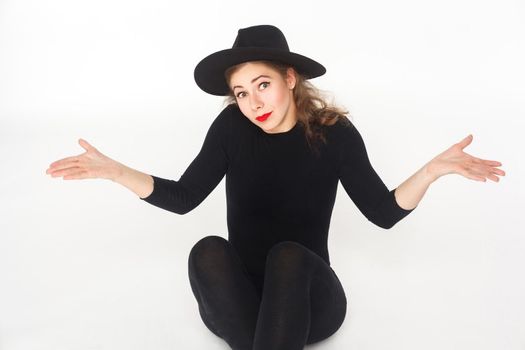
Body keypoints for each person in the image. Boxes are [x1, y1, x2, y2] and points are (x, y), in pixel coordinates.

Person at [45, 25, 506, 350]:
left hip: (310, 302)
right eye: (242, 92)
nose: (252, 102)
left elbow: (382, 213)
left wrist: (431, 171)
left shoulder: (334, 132)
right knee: (206, 248)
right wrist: (114, 171)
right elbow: (185, 198)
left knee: (287, 253)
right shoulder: (230, 128)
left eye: (262, 84)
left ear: (290, 78)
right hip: (242, 302)